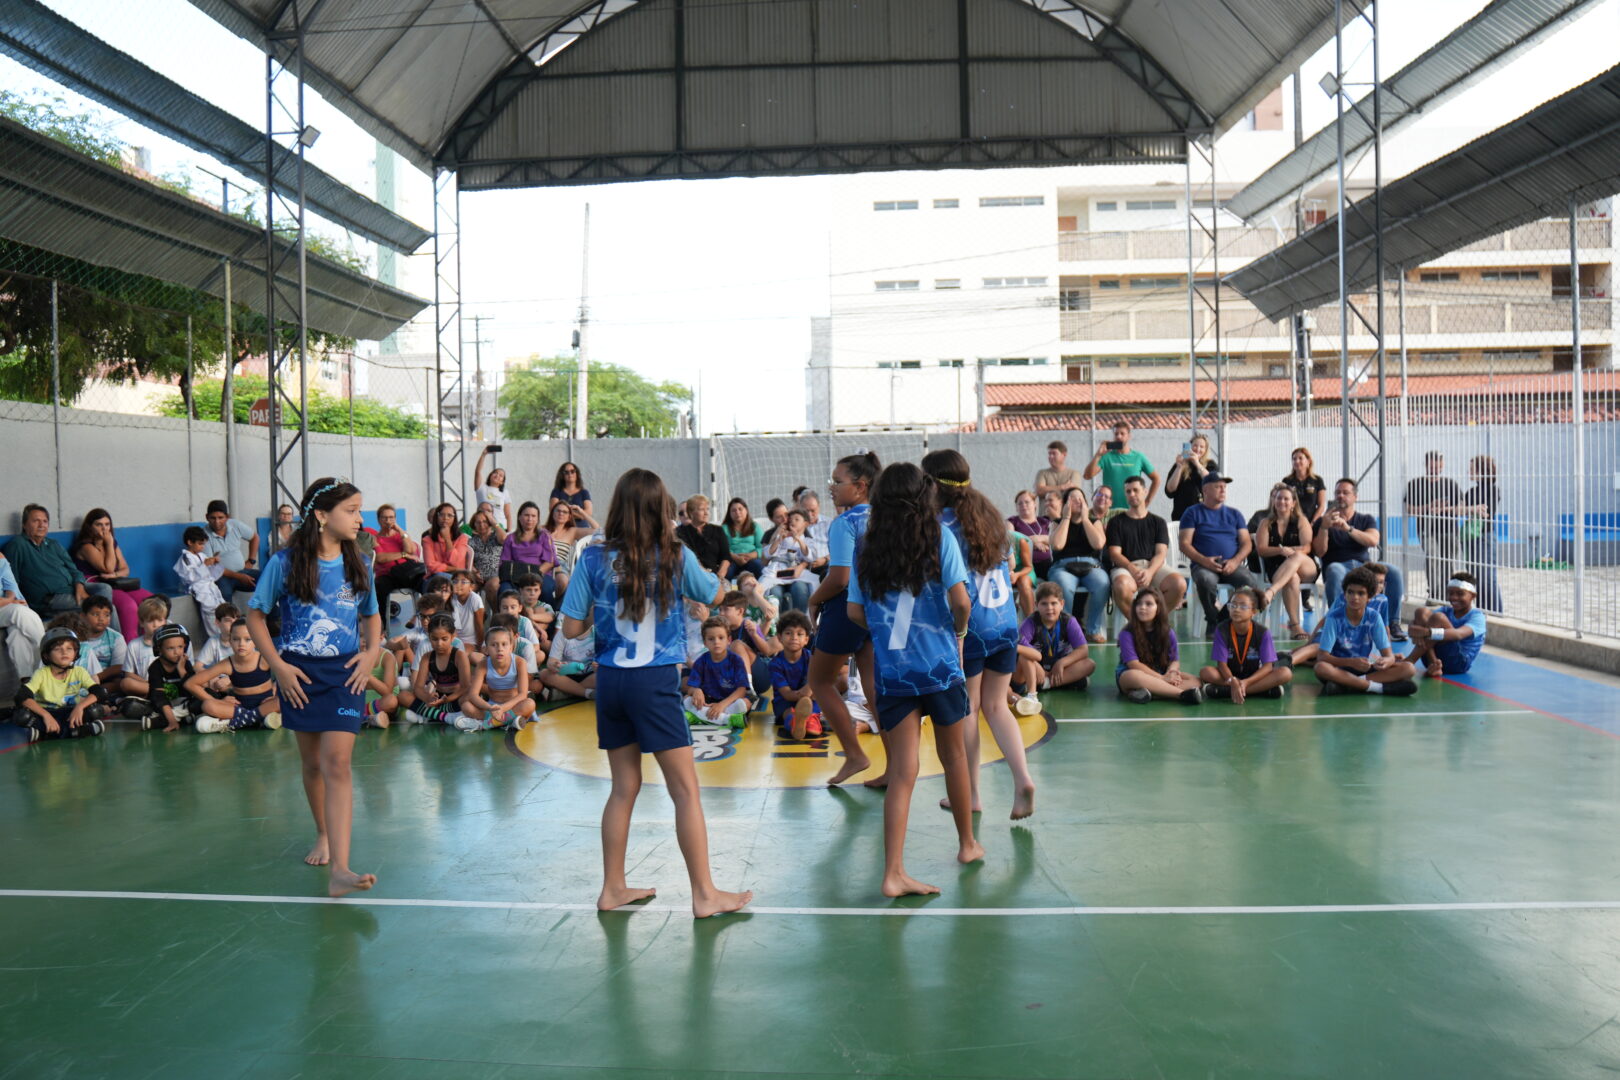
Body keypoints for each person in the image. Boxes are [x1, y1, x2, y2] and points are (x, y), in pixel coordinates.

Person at [560, 468, 751, 918]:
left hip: (611, 681)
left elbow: (570, 628)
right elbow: (715, 594)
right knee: (684, 790)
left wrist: (604, 609)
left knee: (623, 787)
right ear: (660, 508)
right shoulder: (675, 555)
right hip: (654, 680)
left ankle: (612, 888)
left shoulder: (593, 557)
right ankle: (704, 894)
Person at [848, 461, 981, 896]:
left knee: (903, 771)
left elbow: (854, 611)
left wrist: (884, 632)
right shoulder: (939, 538)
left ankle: (893, 872)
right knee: (954, 758)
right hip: (940, 668)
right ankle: (967, 844)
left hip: (894, 672)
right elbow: (961, 602)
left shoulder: (867, 547)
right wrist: (958, 632)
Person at [246, 477, 383, 898]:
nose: (359, 519)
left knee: (336, 763)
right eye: (351, 511)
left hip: (345, 673)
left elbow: (372, 614)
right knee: (311, 765)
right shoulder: (285, 563)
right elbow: (255, 615)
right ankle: (323, 832)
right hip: (299, 674)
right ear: (322, 515)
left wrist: (371, 654)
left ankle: (340, 869)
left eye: (360, 510)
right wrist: (278, 667)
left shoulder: (359, 562)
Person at [925, 448, 1035, 821]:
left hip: (971, 628)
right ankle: (1022, 778)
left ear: (933, 485)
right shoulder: (990, 518)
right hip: (1005, 623)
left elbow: (949, 587)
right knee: (997, 706)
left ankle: (971, 793)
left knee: (969, 709)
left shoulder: (941, 527)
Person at [804, 451, 882, 786]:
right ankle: (897, 764)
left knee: (820, 681)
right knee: (873, 686)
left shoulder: (845, 522)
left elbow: (839, 578)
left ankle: (854, 754)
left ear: (861, 486)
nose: (831, 487)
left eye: (838, 481)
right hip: (876, 608)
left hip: (846, 608)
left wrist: (814, 599)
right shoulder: (883, 518)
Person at [1314, 477, 1407, 641]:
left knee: (1394, 572)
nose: (1340, 496)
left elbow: (1373, 540)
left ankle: (1393, 624)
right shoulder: (1323, 521)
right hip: (1338, 566)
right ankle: (1339, 623)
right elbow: (1320, 552)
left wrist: (1348, 528)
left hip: (1364, 566)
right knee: (1334, 570)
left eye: (1345, 492)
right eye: (1337, 492)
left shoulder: (1365, 519)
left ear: (1355, 497)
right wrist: (1324, 528)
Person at [1311, 566, 1418, 696]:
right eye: (1350, 592)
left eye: (1361, 593)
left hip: (1364, 668)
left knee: (1409, 668)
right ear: (1345, 594)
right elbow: (1322, 656)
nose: (1354, 597)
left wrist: (1385, 662)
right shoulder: (1334, 617)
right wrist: (1351, 662)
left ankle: (1347, 685)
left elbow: (1389, 655)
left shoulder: (1374, 617)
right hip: (1338, 668)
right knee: (1321, 668)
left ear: (1370, 597)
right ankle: (1377, 688)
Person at [1178, 473, 1258, 634]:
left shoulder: (1235, 514)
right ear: (1205, 490)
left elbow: (1246, 543)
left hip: (1231, 564)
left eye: (1224, 487)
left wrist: (1235, 561)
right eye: (1218, 486)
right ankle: (1213, 620)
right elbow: (1184, 544)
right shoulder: (1192, 512)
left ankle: (1221, 618)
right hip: (1203, 565)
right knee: (1205, 580)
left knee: (1249, 583)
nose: (1223, 490)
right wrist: (1205, 561)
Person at [5, 505, 115, 622]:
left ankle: (102, 631)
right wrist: (15, 600)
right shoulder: (17, 545)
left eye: (45, 521)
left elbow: (74, 569)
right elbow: (11, 579)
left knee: (104, 588)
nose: (41, 525)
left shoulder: (53, 544)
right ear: (24, 525)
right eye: (36, 521)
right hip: (49, 599)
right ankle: (100, 631)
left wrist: (79, 585)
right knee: (103, 608)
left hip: (72, 589)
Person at [1106, 473, 1186, 615]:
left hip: (1153, 566)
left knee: (1179, 584)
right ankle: (1136, 623)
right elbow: (1114, 554)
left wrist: (1150, 572)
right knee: (1121, 586)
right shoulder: (1116, 522)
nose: (1132, 494)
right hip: (1126, 567)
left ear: (1145, 491)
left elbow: (1161, 553)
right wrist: (1132, 569)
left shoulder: (1158, 522)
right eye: (1128, 491)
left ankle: (1156, 620)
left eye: (1135, 490)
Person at [13, 626, 109, 742]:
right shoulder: (41, 674)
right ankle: (78, 731)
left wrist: (80, 707)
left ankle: (45, 734)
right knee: (22, 716)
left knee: (95, 710)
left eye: (69, 648)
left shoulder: (79, 672)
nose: (64, 652)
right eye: (57, 649)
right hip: (48, 712)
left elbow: (100, 692)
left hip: (71, 712)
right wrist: (46, 715)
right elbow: (21, 696)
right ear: (46, 655)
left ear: (75, 653)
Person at [184, 620, 282, 732]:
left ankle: (233, 723)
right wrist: (217, 701)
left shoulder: (264, 658)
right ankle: (258, 719)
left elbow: (286, 676)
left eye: (247, 639)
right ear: (230, 640)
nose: (241, 644)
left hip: (266, 704)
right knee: (207, 705)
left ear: (256, 641)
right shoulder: (227, 664)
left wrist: (275, 693)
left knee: (281, 702)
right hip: (239, 707)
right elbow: (190, 684)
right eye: (236, 639)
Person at [70, 508, 155, 639]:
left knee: (151, 600)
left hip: (115, 582)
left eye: (107, 524)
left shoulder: (112, 543)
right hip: (97, 585)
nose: (104, 528)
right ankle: (128, 644)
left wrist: (114, 575)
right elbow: (108, 568)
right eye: (99, 524)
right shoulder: (86, 546)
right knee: (129, 606)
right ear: (89, 527)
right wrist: (109, 544)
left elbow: (125, 569)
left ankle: (149, 641)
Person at [1198, 586, 1292, 701]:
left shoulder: (1262, 632)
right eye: (1233, 605)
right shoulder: (1222, 629)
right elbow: (1222, 665)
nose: (1236, 609)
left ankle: (1226, 691)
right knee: (1206, 672)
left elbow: (1267, 667)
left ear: (1254, 611)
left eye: (1243, 606)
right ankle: (1261, 690)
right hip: (1228, 676)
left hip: (1254, 676)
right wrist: (1232, 680)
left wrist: (1246, 682)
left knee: (1285, 673)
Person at [1014, 581, 1095, 714]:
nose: (1049, 608)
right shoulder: (1030, 623)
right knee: (1025, 658)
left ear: (1062, 604)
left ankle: (1045, 684)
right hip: (1035, 670)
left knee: (1089, 664)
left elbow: (1083, 650)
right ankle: (1065, 682)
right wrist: (1036, 666)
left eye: (1054, 603)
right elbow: (1022, 652)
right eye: (1044, 604)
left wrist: (1062, 663)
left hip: (1058, 669)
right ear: (1036, 605)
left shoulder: (1069, 621)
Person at [1046, 487, 1112, 644]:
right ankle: (1068, 630)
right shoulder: (1057, 523)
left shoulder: (1094, 522)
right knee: (1063, 584)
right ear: (1065, 504)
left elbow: (1098, 544)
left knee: (1102, 583)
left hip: (1091, 565)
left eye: (1080, 498)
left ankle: (1092, 630)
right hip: (1063, 566)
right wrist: (1066, 518)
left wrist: (1085, 519)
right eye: (1072, 498)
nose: (1077, 501)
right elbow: (1057, 545)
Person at [1116, 588, 1201, 705]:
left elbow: (1174, 660)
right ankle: (1180, 695)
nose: (1142, 607)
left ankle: (1150, 693)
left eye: (1148, 604)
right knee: (1134, 676)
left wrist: (1171, 672)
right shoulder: (1126, 633)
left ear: (1158, 608)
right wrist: (1162, 678)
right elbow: (1133, 664)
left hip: (1161, 672)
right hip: (1132, 674)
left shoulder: (1168, 632)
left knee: (1196, 681)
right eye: (1139, 604)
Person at [1254, 483, 1318, 639]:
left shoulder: (1301, 520)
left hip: (1305, 566)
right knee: (1292, 577)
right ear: (1273, 501)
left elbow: (1307, 547)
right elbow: (1261, 549)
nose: (1281, 501)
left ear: (1293, 503)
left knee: (1297, 557)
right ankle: (1295, 626)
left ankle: (1271, 592)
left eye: (1286, 499)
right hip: (1278, 568)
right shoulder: (1266, 523)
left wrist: (1291, 551)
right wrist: (1280, 550)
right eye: (1278, 498)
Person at [1404, 450, 1463, 601]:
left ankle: (1448, 593)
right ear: (1426, 465)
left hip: (1450, 529)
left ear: (1442, 465)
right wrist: (1429, 507)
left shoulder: (1451, 484)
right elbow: (1409, 510)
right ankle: (1435, 593)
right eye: (1432, 467)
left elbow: (1461, 508)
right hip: (1427, 530)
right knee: (1432, 557)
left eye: (1438, 467)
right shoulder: (1416, 484)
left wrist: (1446, 508)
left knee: (1448, 561)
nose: (1435, 470)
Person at [1407, 572, 1488, 677]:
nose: (1454, 597)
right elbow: (1423, 621)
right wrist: (1412, 627)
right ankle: (1434, 664)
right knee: (1421, 612)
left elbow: (1458, 634)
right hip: (1432, 658)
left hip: (1458, 663)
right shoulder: (1446, 610)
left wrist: (1426, 632)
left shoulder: (1477, 616)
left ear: (1473, 596)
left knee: (1438, 618)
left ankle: (1410, 660)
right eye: (1451, 593)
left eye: (1460, 594)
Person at [458, 625, 536, 732]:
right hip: (492, 707)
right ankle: (507, 721)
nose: (499, 649)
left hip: (513, 706)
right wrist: (490, 708)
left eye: (504, 644)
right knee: (466, 706)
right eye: (494, 645)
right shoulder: (483, 665)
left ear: (511, 647)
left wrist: (503, 708)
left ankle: (488, 724)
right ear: (486, 649)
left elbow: (522, 694)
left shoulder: (520, 662)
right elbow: (473, 695)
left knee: (529, 704)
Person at [400, 613, 471, 724]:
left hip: (456, 698)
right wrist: (427, 698)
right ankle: (446, 717)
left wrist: (448, 699)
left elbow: (465, 686)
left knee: (468, 699)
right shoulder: (427, 657)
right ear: (429, 637)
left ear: (452, 637)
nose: (439, 644)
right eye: (434, 639)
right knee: (403, 696)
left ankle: (429, 715)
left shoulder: (459, 656)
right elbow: (418, 688)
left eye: (444, 639)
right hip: (437, 699)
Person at [684, 616, 753, 729]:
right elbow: (691, 687)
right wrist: (696, 690)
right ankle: (727, 719)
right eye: (711, 639)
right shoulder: (701, 661)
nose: (716, 642)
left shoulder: (736, 660)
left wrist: (721, 705)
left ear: (729, 640)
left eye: (721, 638)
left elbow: (741, 690)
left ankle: (700, 717)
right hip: (708, 701)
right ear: (705, 642)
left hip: (729, 701)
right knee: (687, 699)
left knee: (745, 703)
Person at [1459, 455, 1503, 612]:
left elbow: (1486, 511)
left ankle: (1495, 613)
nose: (1469, 472)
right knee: (1476, 577)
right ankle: (1482, 611)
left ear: (1481, 470)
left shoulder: (1493, 489)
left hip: (1485, 536)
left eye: (1472, 469)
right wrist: (1473, 509)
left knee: (1487, 578)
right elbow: (1460, 510)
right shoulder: (1471, 491)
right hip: (1471, 537)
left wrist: (1469, 509)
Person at [768, 610, 819, 739]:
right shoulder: (775, 664)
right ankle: (795, 722)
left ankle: (809, 719)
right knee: (786, 711)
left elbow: (819, 682)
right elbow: (786, 694)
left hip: (809, 700)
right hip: (785, 701)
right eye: (788, 633)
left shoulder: (811, 659)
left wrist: (809, 692)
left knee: (815, 700)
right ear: (779, 638)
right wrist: (804, 694)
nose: (794, 637)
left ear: (806, 639)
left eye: (799, 634)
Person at [1084, 420, 1159, 506]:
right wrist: (1098, 454)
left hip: (1132, 509)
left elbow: (1156, 479)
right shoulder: (1106, 456)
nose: (1119, 436)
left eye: (1122, 434)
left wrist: (1147, 501)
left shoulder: (1139, 457)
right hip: (1110, 509)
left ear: (1129, 436)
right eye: (1116, 434)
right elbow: (1087, 476)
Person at [369, 504, 425, 619]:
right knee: (379, 587)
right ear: (379, 520)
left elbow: (410, 550)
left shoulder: (400, 535)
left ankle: (426, 617)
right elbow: (381, 558)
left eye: (391, 517)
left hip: (406, 573)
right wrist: (403, 555)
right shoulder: (375, 538)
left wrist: (399, 530)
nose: (388, 521)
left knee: (426, 583)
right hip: (387, 575)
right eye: (384, 518)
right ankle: (383, 624)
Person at [143, 622, 200, 733]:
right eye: (170, 648)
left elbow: (194, 689)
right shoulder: (155, 668)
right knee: (134, 706)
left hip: (184, 704)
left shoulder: (185, 663)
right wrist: (172, 721)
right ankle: (182, 718)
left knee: (208, 695)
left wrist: (181, 670)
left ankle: (160, 720)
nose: (176, 652)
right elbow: (158, 697)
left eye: (180, 647)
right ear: (159, 649)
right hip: (163, 706)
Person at [201, 501, 261, 600]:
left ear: (227, 517)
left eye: (220, 517)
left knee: (268, 579)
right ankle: (228, 611)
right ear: (207, 517)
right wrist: (239, 576)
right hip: (221, 576)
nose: (217, 522)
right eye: (213, 518)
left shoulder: (235, 525)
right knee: (224, 592)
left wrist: (251, 561)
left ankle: (272, 610)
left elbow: (255, 537)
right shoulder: (203, 535)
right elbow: (212, 567)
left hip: (242, 572)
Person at [175, 526, 228, 640]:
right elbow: (189, 577)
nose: (202, 547)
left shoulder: (202, 555)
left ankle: (225, 635)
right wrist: (205, 565)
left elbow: (212, 575)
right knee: (210, 612)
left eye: (203, 544)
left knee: (222, 609)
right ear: (190, 542)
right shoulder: (185, 558)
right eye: (200, 544)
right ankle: (215, 638)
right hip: (199, 589)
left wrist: (214, 563)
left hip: (210, 587)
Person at [760, 508, 816, 612]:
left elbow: (810, 557)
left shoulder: (808, 540)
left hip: (796, 573)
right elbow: (767, 554)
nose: (792, 521)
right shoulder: (782, 537)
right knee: (775, 593)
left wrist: (798, 539)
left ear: (806, 524)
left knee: (801, 589)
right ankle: (775, 620)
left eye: (797, 519)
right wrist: (778, 539)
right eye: (791, 520)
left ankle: (801, 619)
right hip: (778, 571)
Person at [0, 551, 44, 680]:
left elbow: (10, 584)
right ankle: (50, 653)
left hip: (6, 605)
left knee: (17, 634)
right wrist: (9, 601)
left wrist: (9, 598)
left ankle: (27, 680)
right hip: (7, 606)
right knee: (20, 612)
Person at [542, 500, 598, 598]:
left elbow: (598, 531)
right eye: (558, 511)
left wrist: (582, 512)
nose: (561, 513)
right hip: (542, 561)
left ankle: (555, 604)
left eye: (565, 512)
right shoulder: (542, 529)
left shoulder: (572, 531)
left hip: (560, 563)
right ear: (552, 513)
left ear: (569, 516)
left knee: (563, 582)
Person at [676, 495, 733, 582]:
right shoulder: (679, 533)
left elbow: (726, 556)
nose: (706, 513)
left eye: (708, 509)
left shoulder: (718, 530)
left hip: (714, 577)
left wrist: (720, 576)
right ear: (691, 512)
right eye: (702, 509)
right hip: (689, 578)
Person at [1164, 432, 1217, 523]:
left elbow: (1212, 482)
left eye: (1202, 447)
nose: (1198, 449)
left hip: (1204, 516)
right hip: (1182, 516)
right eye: (1195, 445)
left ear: (1205, 450)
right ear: (1190, 447)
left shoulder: (1210, 465)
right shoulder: (1180, 464)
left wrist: (1197, 463)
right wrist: (1179, 467)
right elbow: (1170, 489)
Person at [77, 594, 123, 690]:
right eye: (95, 614)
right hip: (79, 679)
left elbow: (119, 666)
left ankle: (96, 693)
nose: (101, 619)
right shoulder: (75, 638)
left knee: (120, 682)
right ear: (82, 616)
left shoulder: (116, 637)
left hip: (104, 679)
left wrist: (96, 677)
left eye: (107, 615)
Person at [1007, 489, 1052, 581]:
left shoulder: (1045, 521)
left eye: (1027, 502)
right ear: (1016, 507)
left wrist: (1037, 538)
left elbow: (1056, 539)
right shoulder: (1012, 522)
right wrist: (1032, 543)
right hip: (1023, 565)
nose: (1023, 505)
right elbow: (1011, 542)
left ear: (1035, 504)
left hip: (1047, 563)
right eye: (1020, 503)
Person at [465, 508, 507, 606]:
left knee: (492, 586)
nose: (481, 525)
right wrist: (474, 572)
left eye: (485, 521)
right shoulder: (471, 541)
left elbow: (504, 539)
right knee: (465, 589)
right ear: (474, 525)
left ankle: (497, 613)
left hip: (495, 575)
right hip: (477, 577)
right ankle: (476, 613)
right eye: (478, 522)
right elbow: (468, 561)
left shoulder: (496, 536)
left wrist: (494, 522)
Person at [721, 498, 767, 580]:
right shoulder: (724, 528)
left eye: (740, 509)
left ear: (746, 510)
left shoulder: (755, 526)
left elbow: (762, 548)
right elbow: (722, 548)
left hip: (752, 558)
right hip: (731, 559)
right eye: (734, 510)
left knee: (760, 568)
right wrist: (736, 558)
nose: (737, 512)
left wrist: (749, 556)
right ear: (729, 514)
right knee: (727, 572)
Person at [421, 503, 471, 578]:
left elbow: (456, 562)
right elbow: (430, 565)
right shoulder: (427, 540)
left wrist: (447, 539)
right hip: (435, 577)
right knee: (440, 577)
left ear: (454, 519)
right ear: (436, 517)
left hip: (457, 577)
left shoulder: (462, 538)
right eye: (441, 515)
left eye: (449, 515)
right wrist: (453, 569)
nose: (445, 518)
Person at [1281, 447, 1327, 524]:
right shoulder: (1287, 481)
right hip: (1292, 522)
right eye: (1294, 459)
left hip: (1312, 521)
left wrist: (1313, 522)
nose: (1297, 461)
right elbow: (1283, 503)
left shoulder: (1317, 480)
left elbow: (1321, 505)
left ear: (1308, 461)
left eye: (1300, 458)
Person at [472, 447, 514, 531]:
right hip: (484, 528)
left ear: (502, 482)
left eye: (501, 475)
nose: (497, 475)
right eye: (495, 473)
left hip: (501, 527)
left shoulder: (504, 492)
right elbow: (478, 472)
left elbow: (508, 515)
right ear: (490, 475)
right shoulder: (482, 488)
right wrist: (483, 454)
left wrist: (508, 531)